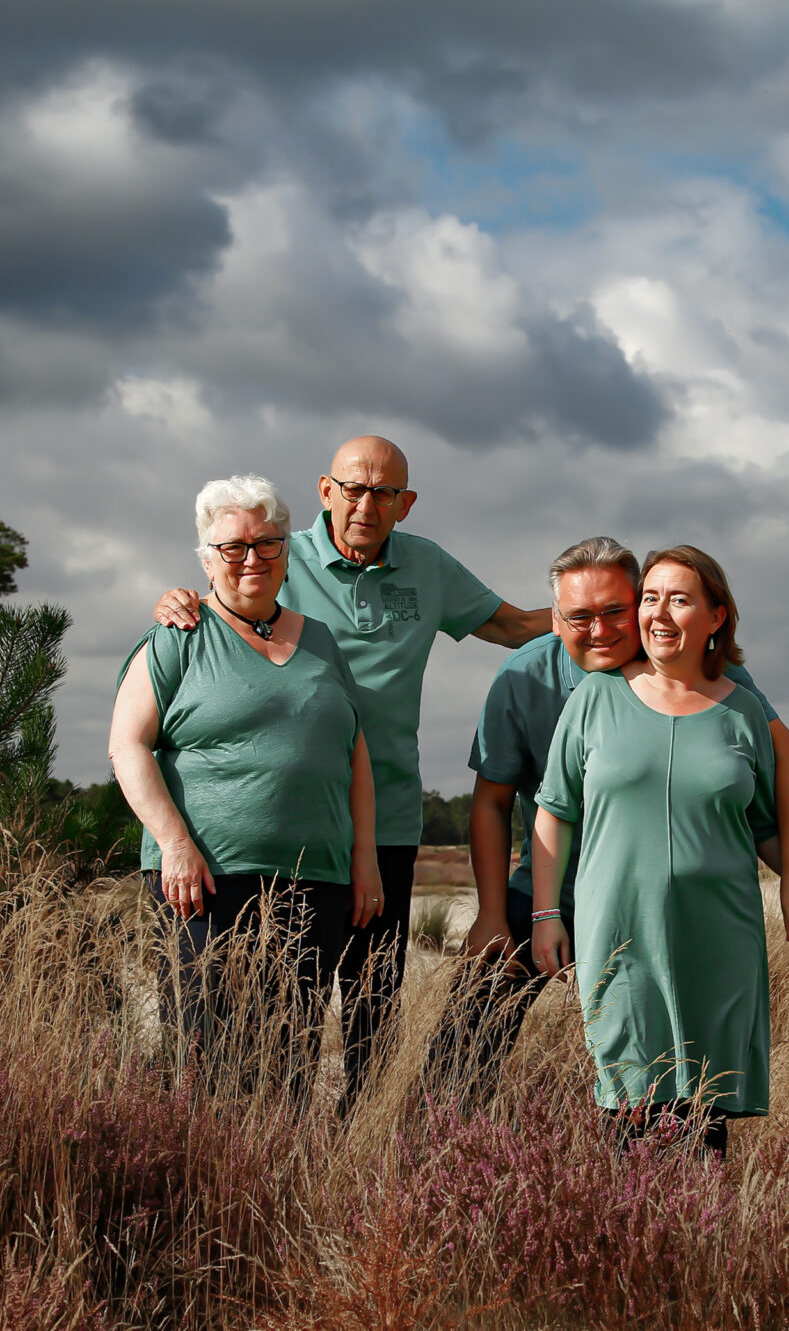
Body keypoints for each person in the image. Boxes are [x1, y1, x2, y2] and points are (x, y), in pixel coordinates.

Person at [153, 436, 549, 1095]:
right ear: (325, 490)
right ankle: (262, 1152)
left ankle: (360, 1153)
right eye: (354, 488)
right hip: (296, 829)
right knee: (281, 1010)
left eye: (384, 493)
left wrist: (605, 619)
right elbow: (225, 594)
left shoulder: (428, 568)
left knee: (373, 1003)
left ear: (406, 504)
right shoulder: (280, 553)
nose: (366, 504)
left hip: (386, 821)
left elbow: (508, 627)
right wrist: (176, 600)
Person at [424, 536, 789, 1112]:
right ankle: (441, 1145)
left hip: (668, 900)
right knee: (472, 1025)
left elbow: (775, 773)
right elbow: (494, 804)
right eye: (579, 617)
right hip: (551, 878)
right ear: (555, 618)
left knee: (681, 1072)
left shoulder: (703, 676)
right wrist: (494, 915)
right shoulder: (524, 677)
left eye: (614, 611)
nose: (599, 630)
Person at [531, 546, 789, 1153]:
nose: (659, 613)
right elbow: (554, 812)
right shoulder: (593, 700)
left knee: (704, 1124)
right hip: (620, 935)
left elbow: (766, 823)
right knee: (630, 1111)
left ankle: (699, 1245)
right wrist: (547, 913)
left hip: (720, 938)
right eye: (650, 598)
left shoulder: (744, 711)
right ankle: (629, 1243)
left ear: (717, 616)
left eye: (679, 598)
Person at [110, 475, 383, 1099]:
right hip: (204, 881)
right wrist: (174, 844)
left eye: (267, 543)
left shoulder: (321, 642)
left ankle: (276, 1190)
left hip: (316, 881)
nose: (252, 558)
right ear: (207, 560)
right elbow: (127, 746)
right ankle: (200, 1186)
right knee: (205, 1053)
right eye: (233, 547)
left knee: (291, 1054)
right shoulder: (178, 637)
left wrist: (364, 857)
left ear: (287, 551)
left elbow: (354, 753)